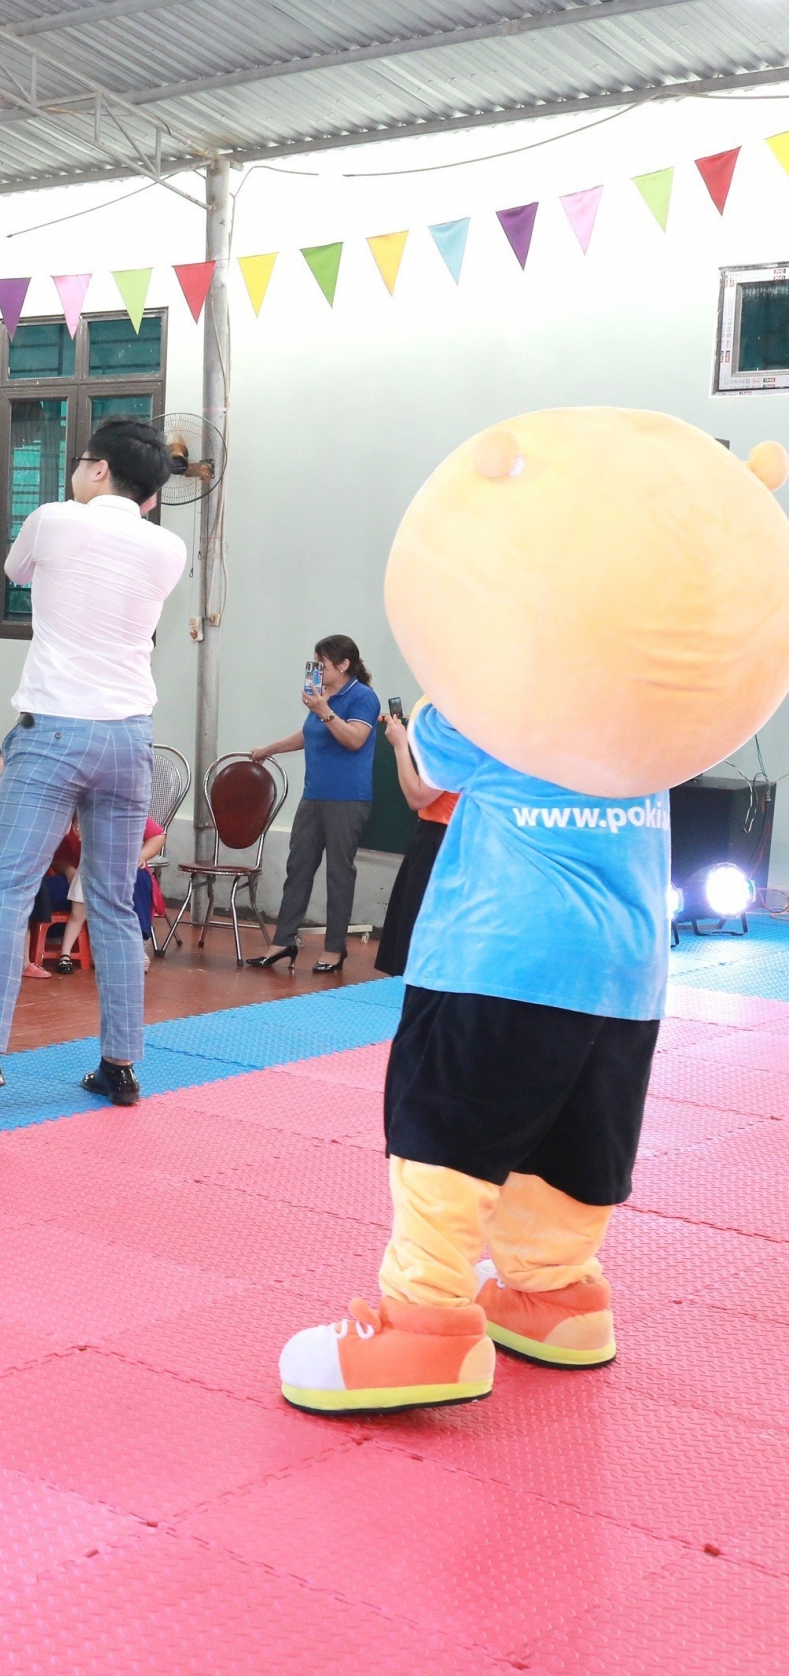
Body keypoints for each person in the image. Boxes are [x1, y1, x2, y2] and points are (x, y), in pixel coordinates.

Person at [279, 410, 789, 1413]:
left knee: (444, 1132)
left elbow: (424, 787)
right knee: (573, 1143)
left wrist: (412, 725)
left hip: (497, 958)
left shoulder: (495, 699)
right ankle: (552, 1298)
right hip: (626, 976)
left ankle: (420, 1322)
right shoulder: (660, 710)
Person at [0, 418, 184, 1117]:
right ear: (150, 495)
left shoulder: (56, 519)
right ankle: (121, 1065)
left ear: (96, 471)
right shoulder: (169, 546)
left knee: (5, 893)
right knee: (116, 903)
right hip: (130, 740)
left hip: (57, 731)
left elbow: (13, 571)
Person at [248, 635, 381, 974]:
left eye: (323, 663)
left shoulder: (363, 698)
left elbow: (354, 739)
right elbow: (309, 734)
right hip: (314, 795)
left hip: (347, 798)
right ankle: (283, 942)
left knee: (339, 873)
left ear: (344, 664)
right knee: (299, 867)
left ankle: (335, 950)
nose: (318, 668)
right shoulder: (322, 696)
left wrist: (325, 712)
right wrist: (269, 748)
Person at [372, 705, 456, 978]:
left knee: (423, 929)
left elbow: (417, 797)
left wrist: (400, 746)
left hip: (442, 841)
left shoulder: (455, 749)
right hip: (433, 834)